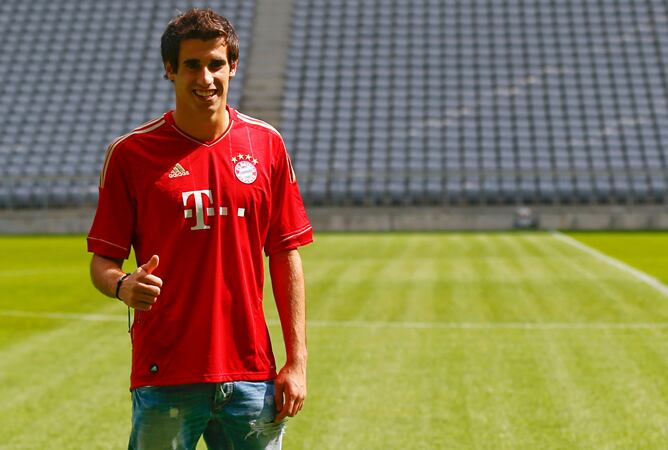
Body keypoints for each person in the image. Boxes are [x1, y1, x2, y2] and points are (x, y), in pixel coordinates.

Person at [87, 8, 312, 450]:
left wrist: (297, 360)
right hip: (166, 374)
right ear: (170, 70)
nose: (205, 78)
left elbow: (286, 253)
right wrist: (122, 286)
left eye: (215, 64)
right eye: (192, 65)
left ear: (233, 67)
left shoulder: (267, 145)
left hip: (251, 374)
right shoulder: (131, 154)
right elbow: (103, 262)